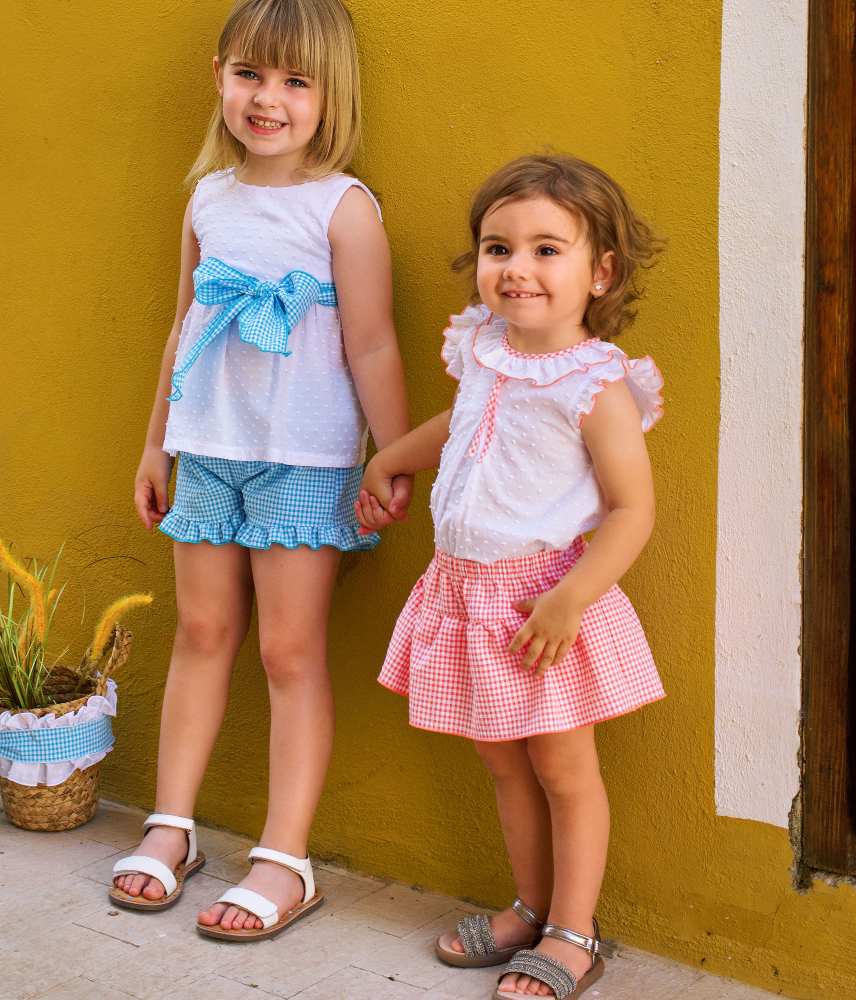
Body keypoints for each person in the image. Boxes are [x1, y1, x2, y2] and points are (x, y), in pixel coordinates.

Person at [111, 0, 409, 943]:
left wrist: (390, 460)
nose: (267, 99)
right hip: (208, 449)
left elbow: (371, 345)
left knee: (288, 652)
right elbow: (182, 327)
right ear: (218, 77)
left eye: (294, 81)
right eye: (250, 74)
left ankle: (286, 858)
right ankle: (171, 828)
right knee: (202, 631)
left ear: (331, 97)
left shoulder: (344, 209)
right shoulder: (208, 197)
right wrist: (157, 441)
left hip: (305, 463)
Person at [356, 153, 664, 998]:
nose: (517, 269)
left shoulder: (597, 384)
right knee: (502, 766)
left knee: (564, 770)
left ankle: (574, 930)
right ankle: (528, 905)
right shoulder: (485, 348)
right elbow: (459, 424)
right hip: (463, 593)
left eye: (546, 250)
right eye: (498, 248)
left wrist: (572, 598)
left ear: (600, 272)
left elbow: (632, 509)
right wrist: (390, 459)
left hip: (542, 603)